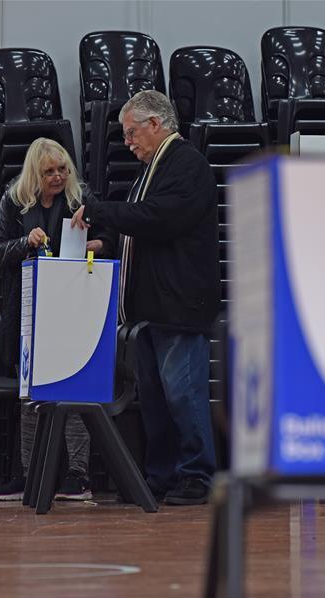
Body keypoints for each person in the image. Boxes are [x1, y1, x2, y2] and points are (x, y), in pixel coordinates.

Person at [71, 90, 220, 505]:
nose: (128, 142)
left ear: (156, 124)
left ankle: (196, 477)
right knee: (156, 400)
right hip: (155, 305)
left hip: (179, 304)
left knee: (183, 394)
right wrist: (104, 242)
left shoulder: (186, 165)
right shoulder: (154, 168)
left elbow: (160, 218)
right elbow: (141, 225)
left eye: (132, 132)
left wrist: (101, 210)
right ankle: (161, 476)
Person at [0, 137, 114, 502]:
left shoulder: (81, 197)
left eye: (62, 170)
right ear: (34, 175)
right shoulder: (14, 200)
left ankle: (78, 475)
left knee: (73, 387)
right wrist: (25, 241)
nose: (57, 177)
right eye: (49, 172)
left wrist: (98, 246)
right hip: (27, 308)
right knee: (30, 393)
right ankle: (30, 474)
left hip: (75, 306)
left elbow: (112, 238)